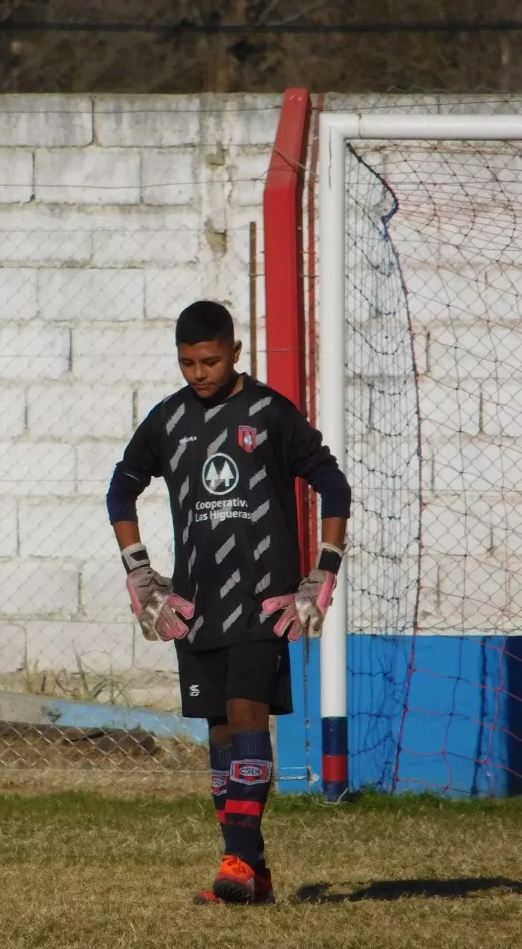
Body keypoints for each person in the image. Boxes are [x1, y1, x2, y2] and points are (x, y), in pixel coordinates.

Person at [105, 300, 351, 905]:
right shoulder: (168, 420)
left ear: (235, 353)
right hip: (196, 606)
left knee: (246, 714)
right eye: (187, 363)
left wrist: (324, 567)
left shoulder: (268, 413)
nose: (198, 373)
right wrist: (139, 571)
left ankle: (237, 861)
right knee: (219, 734)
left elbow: (333, 483)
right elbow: (121, 490)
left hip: (262, 602)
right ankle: (252, 871)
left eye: (209, 360)